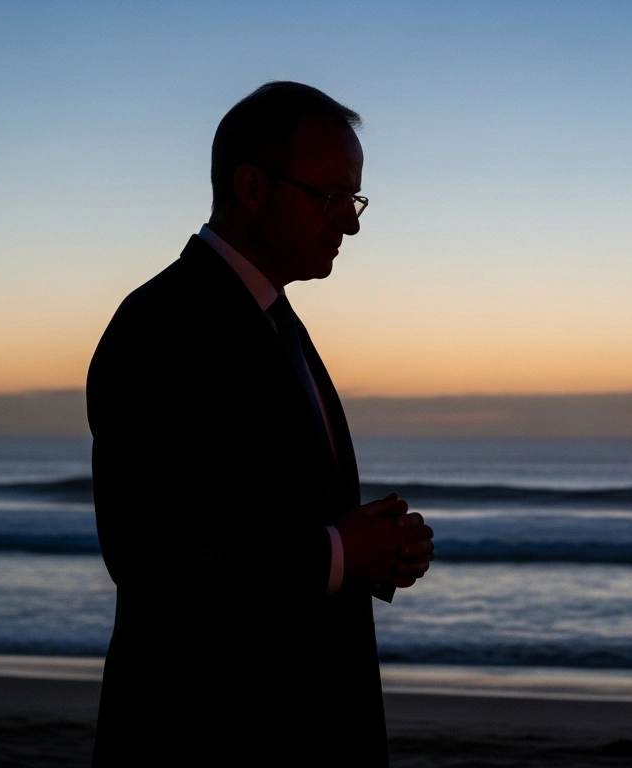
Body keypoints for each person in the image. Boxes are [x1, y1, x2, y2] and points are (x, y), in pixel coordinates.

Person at [86, 81, 435, 766]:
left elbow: (253, 510)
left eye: (355, 199)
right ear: (252, 186)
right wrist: (338, 554)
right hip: (212, 733)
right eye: (332, 198)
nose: (352, 223)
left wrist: (371, 547)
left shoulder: (270, 319)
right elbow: (151, 555)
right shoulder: (163, 324)